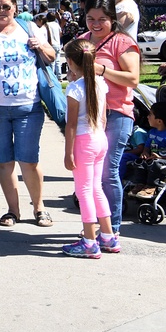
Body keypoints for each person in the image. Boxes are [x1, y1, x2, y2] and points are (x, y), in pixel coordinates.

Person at [0, 0, 56, 228]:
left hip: (28, 106)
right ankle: (12, 211)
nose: (1, 11)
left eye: (6, 6)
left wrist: (41, 45)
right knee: (4, 162)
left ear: (15, 7)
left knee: (29, 160)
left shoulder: (29, 28)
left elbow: (52, 56)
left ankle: (39, 208)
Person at [80, 0, 140, 236]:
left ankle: (111, 229)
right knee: (89, 175)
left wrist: (101, 70)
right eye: (90, 18)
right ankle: (94, 227)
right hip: (89, 115)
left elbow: (133, 79)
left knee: (107, 172)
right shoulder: (82, 40)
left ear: (113, 19)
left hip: (116, 112)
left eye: (102, 19)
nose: (95, 24)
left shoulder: (122, 43)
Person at [61, 39, 119, 258]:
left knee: (83, 190)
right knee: (95, 188)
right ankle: (107, 235)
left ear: (69, 62)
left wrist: (68, 153)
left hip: (84, 141)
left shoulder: (75, 89)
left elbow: (71, 124)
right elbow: (103, 117)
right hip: (99, 138)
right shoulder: (99, 83)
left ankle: (89, 240)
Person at [131, 101, 166, 198]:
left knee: (156, 163)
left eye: (150, 114)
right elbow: (147, 145)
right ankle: (140, 184)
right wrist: (145, 152)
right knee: (140, 161)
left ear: (159, 121)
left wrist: (161, 156)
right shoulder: (152, 132)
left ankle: (152, 187)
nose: (147, 117)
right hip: (154, 158)